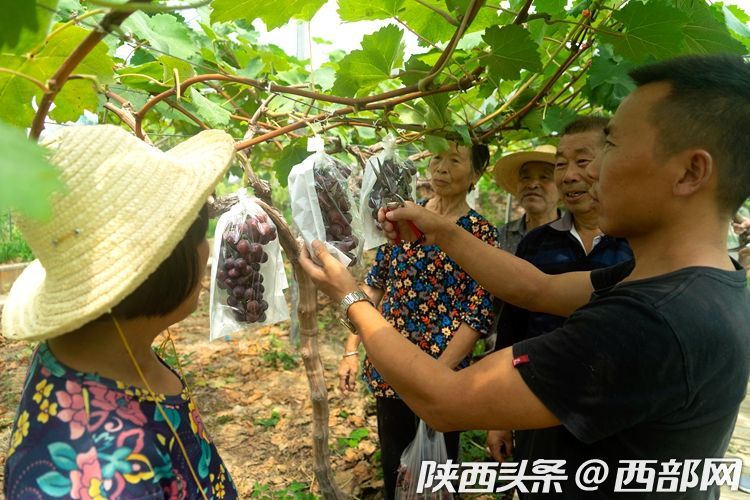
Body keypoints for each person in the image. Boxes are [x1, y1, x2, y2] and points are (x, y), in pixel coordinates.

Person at [300, 54, 750, 499]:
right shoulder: (699, 282)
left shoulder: (647, 324)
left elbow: (447, 400)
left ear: (691, 172)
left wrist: (349, 298)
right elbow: (537, 288)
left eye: (611, 147)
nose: (589, 173)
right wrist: (437, 228)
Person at [3, 125, 239, 499]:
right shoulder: (100, 476)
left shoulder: (106, 347)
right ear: (163, 263)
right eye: (198, 236)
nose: (208, 251)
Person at [337, 141, 497, 499]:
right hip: (390, 360)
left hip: (444, 366)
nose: (441, 167)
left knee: (440, 469)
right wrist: (351, 349)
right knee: (396, 463)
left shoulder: (480, 232)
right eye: (437, 157)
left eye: (455, 160)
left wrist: (440, 373)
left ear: (476, 173)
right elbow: (375, 285)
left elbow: (479, 310)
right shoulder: (405, 218)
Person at [487, 116, 633, 478]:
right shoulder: (535, 243)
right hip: (539, 403)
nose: (568, 175)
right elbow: (512, 329)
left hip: (620, 413)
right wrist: (500, 415)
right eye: (561, 165)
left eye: (583, 162)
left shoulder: (640, 241)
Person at [494, 145, 560, 253]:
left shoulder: (578, 235)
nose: (532, 185)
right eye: (525, 177)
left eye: (544, 177)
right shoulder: (500, 236)